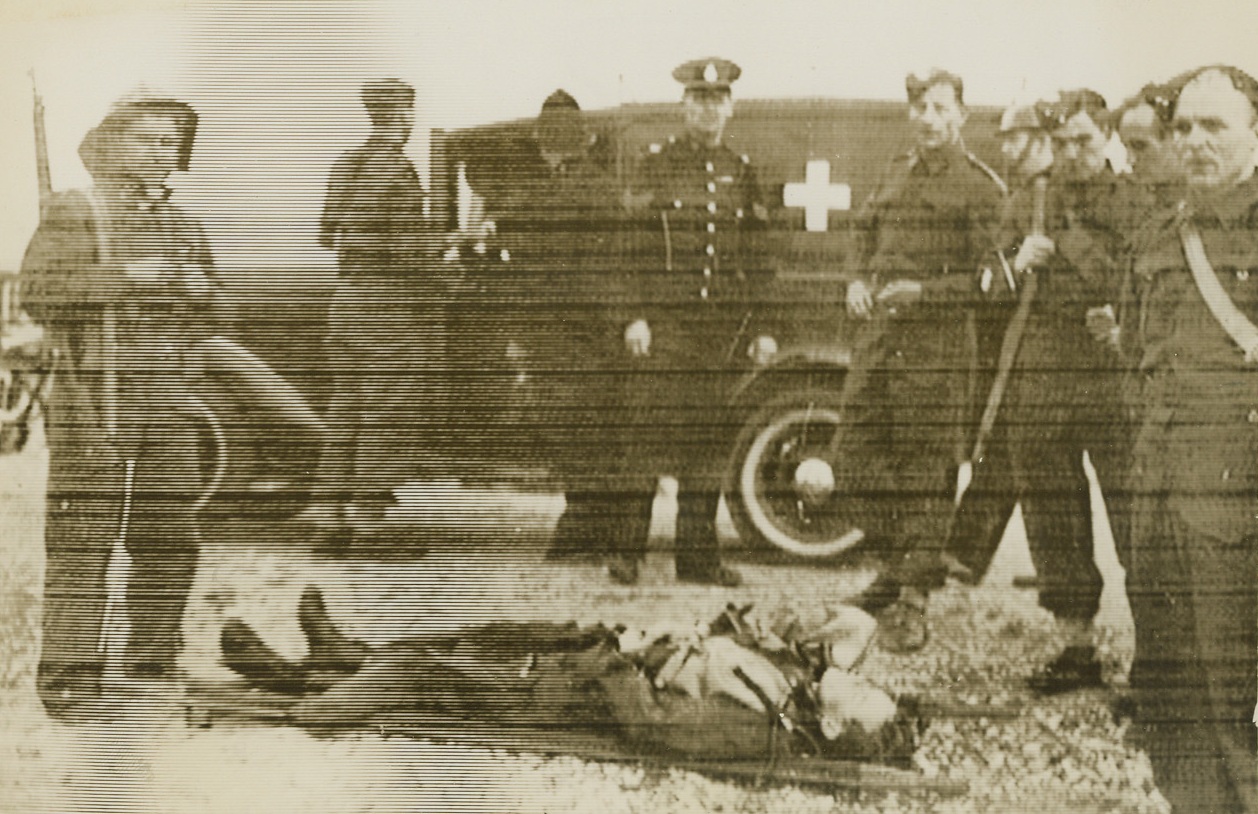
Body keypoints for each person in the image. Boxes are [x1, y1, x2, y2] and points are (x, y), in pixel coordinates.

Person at [22, 91, 227, 716]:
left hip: (169, 402)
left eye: (171, 141)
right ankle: (69, 680)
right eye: (148, 140)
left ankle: (148, 663)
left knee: (170, 538)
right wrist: (125, 279)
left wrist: (199, 289)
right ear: (112, 143)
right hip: (95, 396)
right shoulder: (77, 210)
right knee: (83, 540)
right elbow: (37, 293)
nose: (163, 152)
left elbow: (218, 310)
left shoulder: (184, 222)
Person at [1121, 64, 1258, 813]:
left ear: (1254, 133)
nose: (1195, 141)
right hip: (1159, 499)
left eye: (1215, 126)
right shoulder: (1159, 234)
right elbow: (1136, 364)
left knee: (1239, 705)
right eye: (1184, 128)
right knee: (1170, 700)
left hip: (1240, 510)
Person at [842, 69, 1006, 652]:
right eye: (920, 108)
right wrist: (856, 279)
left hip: (937, 348)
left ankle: (911, 598)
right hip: (881, 342)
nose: (928, 119)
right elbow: (863, 230)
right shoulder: (896, 170)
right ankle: (898, 567)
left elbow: (992, 281)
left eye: (940, 108)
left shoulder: (980, 187)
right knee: (854, 457)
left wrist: (925, 293)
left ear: (962, 115)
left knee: (927, 472)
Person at [608, 57, 777, 587]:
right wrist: (633, 316)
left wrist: (762, 328)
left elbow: (758, 257)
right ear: (684, 106)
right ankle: (627, 553)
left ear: (731, 107)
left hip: (719, 333)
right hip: (665, 328)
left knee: (708, 444)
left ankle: (697, 558)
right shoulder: (656, 165)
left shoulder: (741, 170)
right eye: (699, 100)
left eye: (717, 100)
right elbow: (627, 249)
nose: (709, 109)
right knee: (646, 438)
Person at [462, 90, 626, 561]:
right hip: (566, 331)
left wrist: (489, 234)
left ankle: (585, 528)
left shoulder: (575, 190)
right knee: (575, 428)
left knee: (578, 429)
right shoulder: (572, 188)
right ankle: (588, 525)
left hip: (576, 332)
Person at [306, 78, 442, 552]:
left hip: (345, 304)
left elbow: (326, 234)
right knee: (387, 413)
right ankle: (369, 526)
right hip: (387, 310)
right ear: (403, 116)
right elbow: (409, 252)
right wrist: (449, 250)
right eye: (408, 112)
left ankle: (328, 520)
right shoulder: (397, 170)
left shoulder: (346, 163)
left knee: (345, 413)